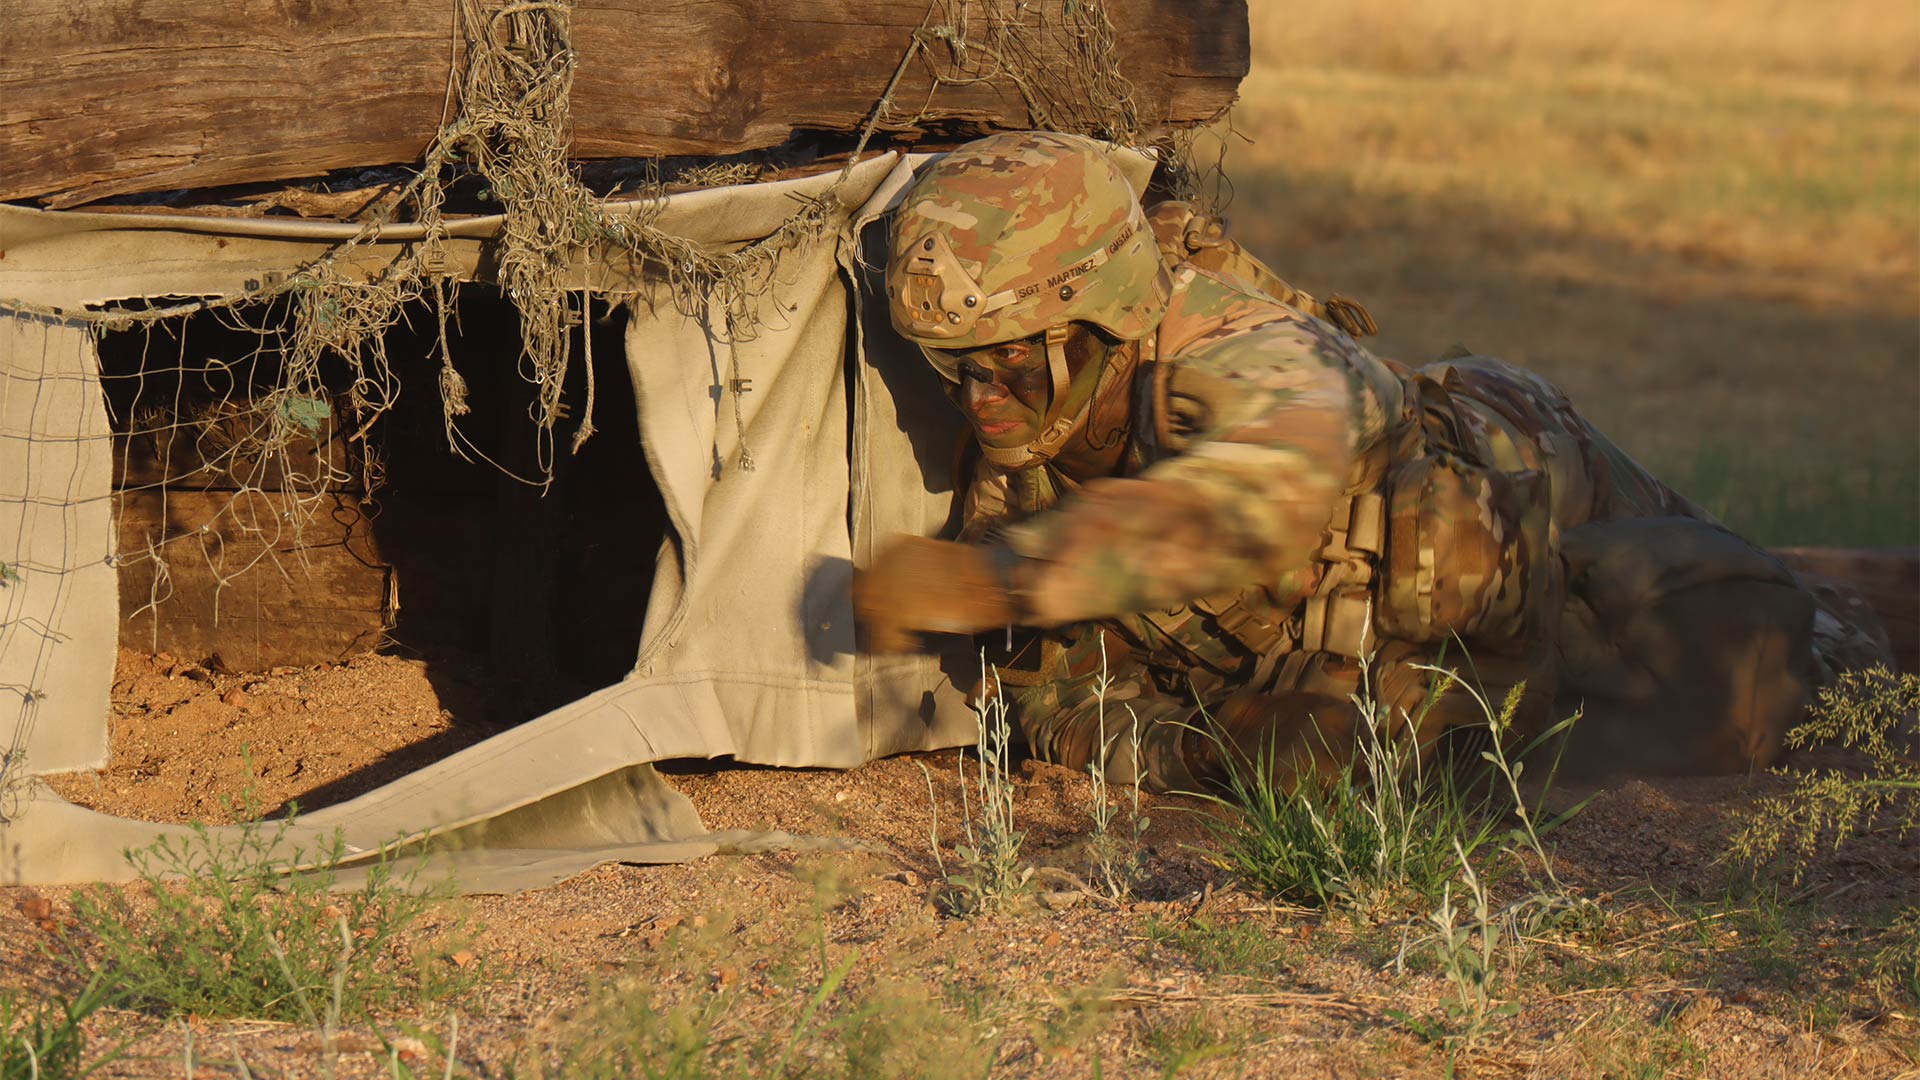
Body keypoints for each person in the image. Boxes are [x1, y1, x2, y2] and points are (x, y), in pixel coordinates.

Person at [854, 130, 1869, 792]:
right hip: (1410, 654)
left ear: (1098, 314)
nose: (979, 399)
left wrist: (1004, 581)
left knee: (1795, 659)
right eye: (952, 370)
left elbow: (1244, 506)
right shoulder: (1020, 466)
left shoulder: (1248, 355)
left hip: (1522, 458)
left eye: (1009, 365)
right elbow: (1047, 706)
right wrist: (1218, 750)